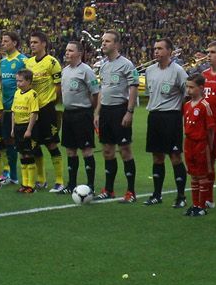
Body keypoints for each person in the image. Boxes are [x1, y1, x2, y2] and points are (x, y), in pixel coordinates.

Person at [143, 38, 188, 207]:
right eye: (155, 48)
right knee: (157, 156)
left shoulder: (178, 71)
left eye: (160, 49)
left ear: (170, 51)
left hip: (172, 117)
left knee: (175, 156)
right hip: (154, 116)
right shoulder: (149, 70)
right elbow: (149, 92)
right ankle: (156, 194)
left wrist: (179, 112)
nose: (156, 52)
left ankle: (181, 196)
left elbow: (187, 93)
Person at [94, 30, 139, 201]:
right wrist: (97, 112)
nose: (103, 43)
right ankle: (109, 190)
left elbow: (133, 87)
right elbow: (102, 90)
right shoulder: (103, 65)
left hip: (120, 110)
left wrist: (129, 111)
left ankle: (131, 192)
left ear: (117, 44)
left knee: (125, 150)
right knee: (107, 151)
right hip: (105, 111)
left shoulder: (127, 65)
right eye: (103, 41)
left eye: (108, 41)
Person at [59, 40, 100, 194]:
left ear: (79, 53)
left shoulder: (86, 70)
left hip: (83, 114)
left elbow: (95, 93)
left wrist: (92, 110)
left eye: (70, 50)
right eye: (66, 50)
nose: (67, 53)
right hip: (68, 113)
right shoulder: (65, 70)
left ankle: (90, 186)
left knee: (86, 150)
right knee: (70, 150)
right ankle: (71, 185)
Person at [25, 32, 63, 190]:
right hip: (32, 109)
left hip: (47, 108)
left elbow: (58, 85)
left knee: (51, 143)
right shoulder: (28, 63)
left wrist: (51, 101)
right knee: (34, 144)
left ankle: (59, 180)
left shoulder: (52, 62)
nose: (32, 45)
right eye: (31, 42)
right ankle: (41, 179)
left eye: (35, 42)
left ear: (44, 44)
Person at [181, 74, 216, 217]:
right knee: (193, 175)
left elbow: (210, 129)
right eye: (187, 87)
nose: (189, 90)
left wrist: (209, 146)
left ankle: (202, 206)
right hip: (189, 143)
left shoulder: (205, 105)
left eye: (192, 87)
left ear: (201, 88)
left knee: (202, 175)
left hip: (201, 144)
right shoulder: (186, 105)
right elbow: (185, 125)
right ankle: (195, 204)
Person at [0, 32, 28, 183]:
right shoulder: (2, 62)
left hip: (18, 108)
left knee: (19, 142)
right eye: (2, 41)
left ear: (15, 43)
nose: (3, 43)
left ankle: (23, 176)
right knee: (6, 141)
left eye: (6, 41)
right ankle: (10, 174)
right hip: (4, 108)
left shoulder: (23, 60)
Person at [10, 69, 41, 193]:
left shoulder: (32, 94)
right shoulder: (17, 93)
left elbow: (34, 113)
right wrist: (13, 129)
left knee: (29, 154)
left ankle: (31, 185)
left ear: (28, 81)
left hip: (27, 127)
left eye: (21, 81)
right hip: (17, 127)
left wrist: (29, 130)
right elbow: (13, 112)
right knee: (22, 154)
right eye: (17, 81)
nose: (18, 83)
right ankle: (24, 183)